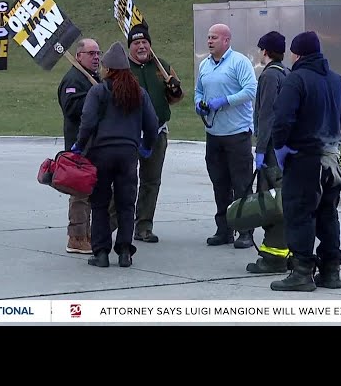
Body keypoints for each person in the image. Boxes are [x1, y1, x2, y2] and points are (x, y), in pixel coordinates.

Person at [268, 31, 341, 292]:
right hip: (333, 159)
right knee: (328, 214)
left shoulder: (296, 80)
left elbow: (282, 119)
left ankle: (302, 272)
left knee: (300, 214)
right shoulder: (336, 80)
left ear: (297, 54)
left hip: (304, 158)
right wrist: (335, 137)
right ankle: (331, 271)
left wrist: (281, 147)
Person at [72, 41, 158, 268]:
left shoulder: (98, 91)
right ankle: (124, 252)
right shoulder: (139, 93)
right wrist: (146, 146)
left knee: (100, 203)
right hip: (128, 154)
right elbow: (152, 124)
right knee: (126, 204)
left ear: (108, 70)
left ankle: (101, 253)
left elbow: (87, 122)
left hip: (100, 154)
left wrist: (79, 146)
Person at [194, 23, 257, 248]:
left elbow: (250, 90)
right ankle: (224, 229)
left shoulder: (239, 62)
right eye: (208, 37)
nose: (209, 41)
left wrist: (225, 101)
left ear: (226, 41)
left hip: (237, 133)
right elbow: (199, 90)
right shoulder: (205, 65)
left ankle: (245, 231)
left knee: (241, 185)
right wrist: (198, 103)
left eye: (214, 38)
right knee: (219, 183)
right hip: (214, 133)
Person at [122, 23, 184, 243]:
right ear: (130, 47)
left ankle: (144, 226)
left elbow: (175, 98)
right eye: (137, 43)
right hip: (129, 134)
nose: (141, 46)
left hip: (157, 133)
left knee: (151, 181)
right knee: (123, 180)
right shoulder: (122, 69)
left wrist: (175, 89)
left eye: (145, 42)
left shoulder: (162, 66)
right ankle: (112, 225)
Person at [246, 30, 291, 273]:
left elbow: (266, 116)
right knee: (285, 199)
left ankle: (273, 256)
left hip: (272, 149)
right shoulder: (287, 74)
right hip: (285, 149)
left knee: (270, 201)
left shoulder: (269, 77)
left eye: (260, 49)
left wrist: (261, 149)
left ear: (266, 51)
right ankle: (290, 252)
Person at [57, 38, 103, 254]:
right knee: (80, 193)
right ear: (79, 56)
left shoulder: (93, 78)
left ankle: (88, 233)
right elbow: (72, 108)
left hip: (96, 145)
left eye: (98, 53)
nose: (96, 57)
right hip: (79, 145)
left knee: (95, 192)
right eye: (91, 53)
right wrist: (96, 97)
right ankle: (76, 238)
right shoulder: (73, 79)